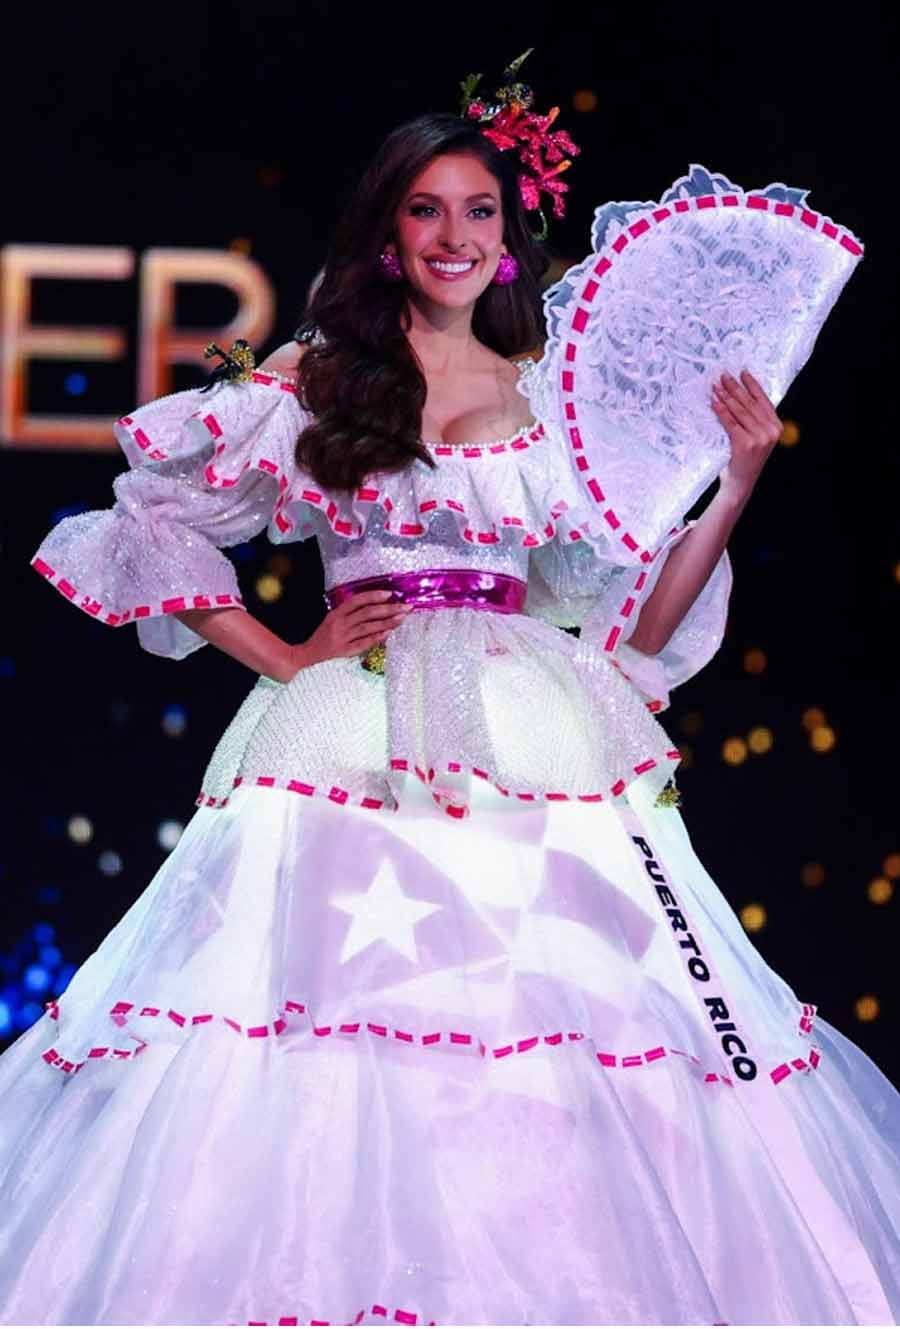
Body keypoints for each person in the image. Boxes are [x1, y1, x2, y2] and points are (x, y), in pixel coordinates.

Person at [2, 64, 898, 1327]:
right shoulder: (315, 383)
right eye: (426, 210)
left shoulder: (548, 403)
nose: (454, 238)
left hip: (532, 725)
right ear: (387, 230)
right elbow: (152, 513)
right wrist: (282, 653)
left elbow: (635, 617)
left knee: (557, 1030)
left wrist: (736, 483)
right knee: (308, 1025)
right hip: (349, 733)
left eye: (479, 212)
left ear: (511, 232)